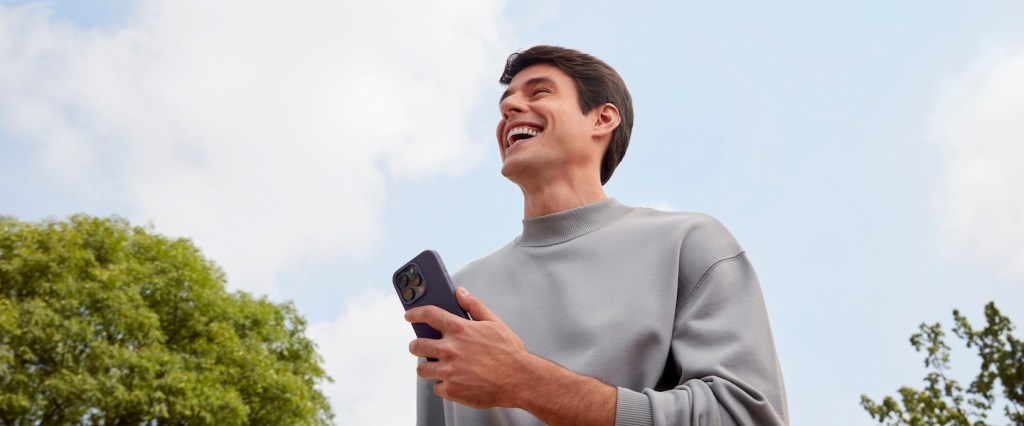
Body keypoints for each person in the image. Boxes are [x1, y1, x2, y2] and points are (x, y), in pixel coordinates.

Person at [405, 45, 788, 426]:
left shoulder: (687, 244)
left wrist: (524, 381)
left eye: (539, 92)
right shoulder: (462, 294)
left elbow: (743, 417)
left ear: (602, 119)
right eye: (506, 102)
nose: (509, 109)